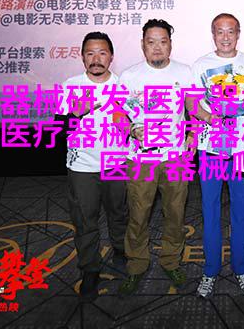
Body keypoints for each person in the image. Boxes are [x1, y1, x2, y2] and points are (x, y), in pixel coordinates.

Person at [117, 19, 193, 294]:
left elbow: (193, 108)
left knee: (175, 213)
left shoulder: (184, 72)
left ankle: (171, 260)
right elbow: (117, 113)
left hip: (176, 158)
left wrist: (193, 133)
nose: (157, 47)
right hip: (140, 159)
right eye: (151, 42)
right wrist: (131, 129)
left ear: (170, 44)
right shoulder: (129, 76)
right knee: (138, 215)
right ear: (143, 45)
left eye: (163, 41)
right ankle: (136, 265)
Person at [186, 13, 244, 298]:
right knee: (210, 209)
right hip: (210, 147)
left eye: (230, 31)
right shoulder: (201, 65)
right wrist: (208, 116)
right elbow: (191, 102)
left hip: (241, 148)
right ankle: (210, 270)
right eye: (220, 32)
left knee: (242, 209)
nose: (225, 37)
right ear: (213, 34)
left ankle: (241, 268)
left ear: (238, 34)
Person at [58, 32, 128, 302]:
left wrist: (129, 126)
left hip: (116, 162)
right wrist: (75, 114)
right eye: (90, 53)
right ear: (82, 57)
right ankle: (90, 268)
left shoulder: (123, 86)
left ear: (111, 57)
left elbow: (134, 123)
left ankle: (121, 251)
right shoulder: (70, 86)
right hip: (82, 166)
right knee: (84, 219)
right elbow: (56, 129)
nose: (96, 59)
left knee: (118, 213)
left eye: (102, 53)